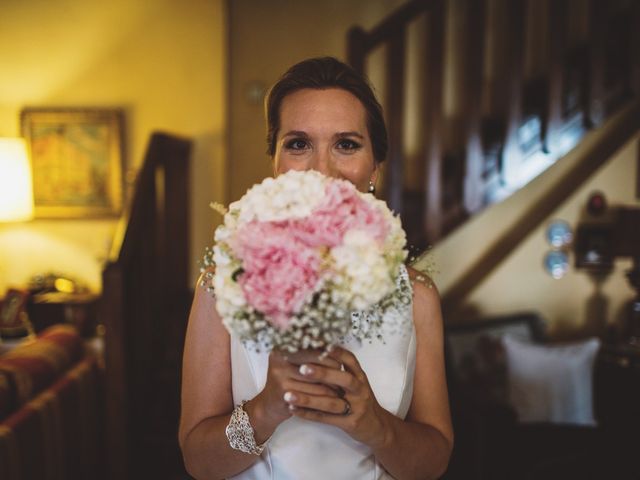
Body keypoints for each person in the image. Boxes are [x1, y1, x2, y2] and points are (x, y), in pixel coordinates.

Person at [179, 57, 453, 480]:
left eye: (346, 144)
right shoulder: (223, 283)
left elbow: (433, 462)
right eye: (298, 144)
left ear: (375, 166)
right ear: (275, 162)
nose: (322, 170)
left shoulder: (417, 296)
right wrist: (264, 411)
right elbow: (198, 461)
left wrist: (379, 429)